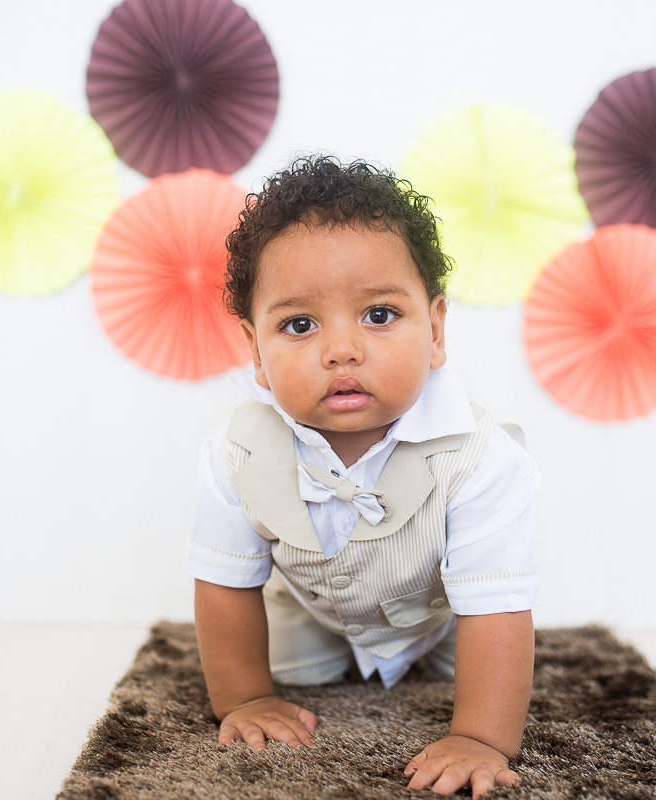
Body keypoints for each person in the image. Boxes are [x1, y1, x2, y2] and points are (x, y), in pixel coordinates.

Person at [184, 155, 542, 799]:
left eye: (378, 315)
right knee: (287, 666)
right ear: (256, 352)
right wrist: (246, 697)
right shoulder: (234, 453)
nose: (341, 350)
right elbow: (225, 582)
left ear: (434, 331)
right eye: (299, 325)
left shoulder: (484, 459)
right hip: (312, 615)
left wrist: (481, 737)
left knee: (481, 671)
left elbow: (495, 605)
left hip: (440, 619)